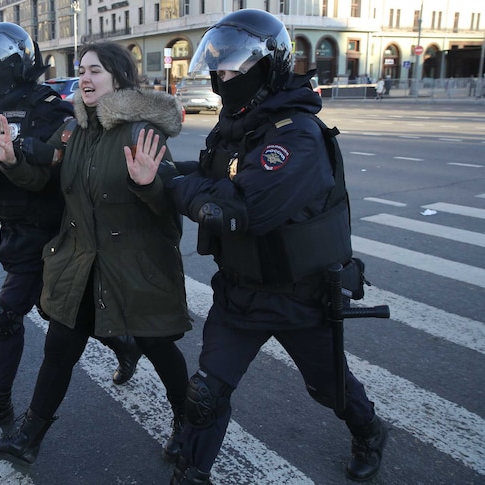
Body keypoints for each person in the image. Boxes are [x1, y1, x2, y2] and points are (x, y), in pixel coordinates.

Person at [126, 10, 388, 484]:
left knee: (330, 388)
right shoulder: (239, 126)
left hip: (298, 296)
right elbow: (211, 172)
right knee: (206, 393)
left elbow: (242, 207)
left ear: (268, 68)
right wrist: (164, 167)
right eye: (218, 70)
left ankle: (369, 430)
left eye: (231, 70)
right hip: (241, 292)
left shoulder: (296, 136)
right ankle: (192, 470)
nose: (222, 80)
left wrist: (168, 185)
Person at [0, 41, 192, 466]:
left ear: (119, 78)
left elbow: (169, 206)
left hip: (133, 266)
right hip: (83, 262)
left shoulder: (139, 130)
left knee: (157, 345)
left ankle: (185, 420)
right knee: (60, 348)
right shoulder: (75, 129)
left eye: (95, 71)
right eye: (83, 70)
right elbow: (43, 181)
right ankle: (28, 437)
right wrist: (12, 160)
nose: (85, 79)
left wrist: (149, 185)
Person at [0, 23, 143, 435]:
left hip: (51, 232)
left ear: (11, 64)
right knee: (60, 313)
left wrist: (23, 162)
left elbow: (71, 166)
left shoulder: (49, 107)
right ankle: (125, 344)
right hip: (12, 231)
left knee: (6, 315)